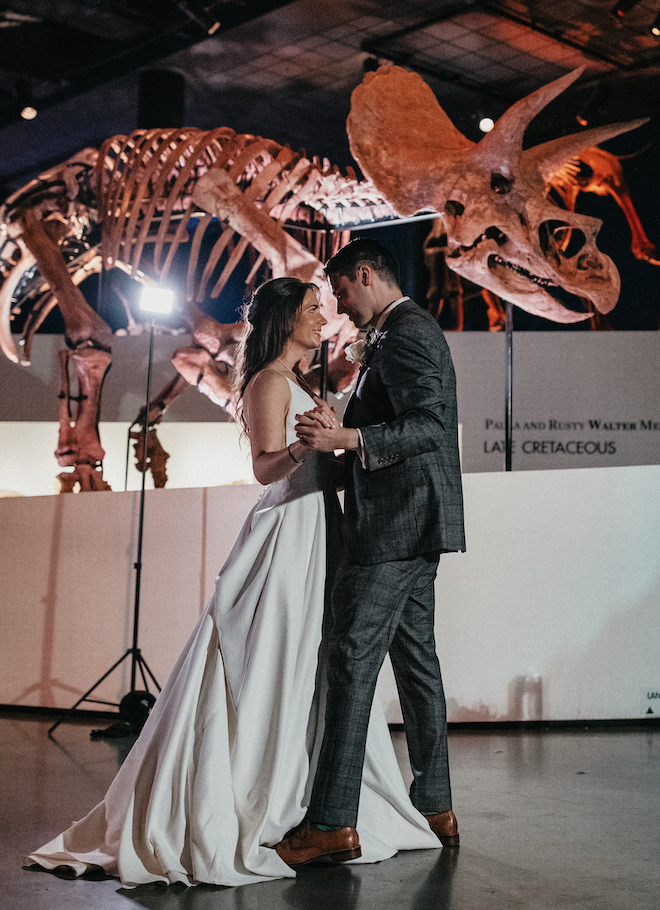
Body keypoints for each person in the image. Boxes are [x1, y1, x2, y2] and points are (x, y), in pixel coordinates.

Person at [25, 277, 439, 888]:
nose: (322, 318)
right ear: (283, 321)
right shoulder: (270, 383)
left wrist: (337, 443)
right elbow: (264, 468)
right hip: (289, 533)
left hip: (321, 531)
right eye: (310, 311)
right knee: (276, 657)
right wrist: (308, 450)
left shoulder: (298, 382)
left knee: (314, 662)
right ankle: (255, 795)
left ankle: (311, 797)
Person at [276, 239, 466, 867]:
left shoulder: (407, 331)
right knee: (416, 664)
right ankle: (435, 803)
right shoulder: (394, 333)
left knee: (351, 659)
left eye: (342, 293)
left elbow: (432, 425)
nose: (340, 309)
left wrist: (347, 435)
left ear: (364, 275)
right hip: (411, 524)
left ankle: (332, 821)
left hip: (395, 526)